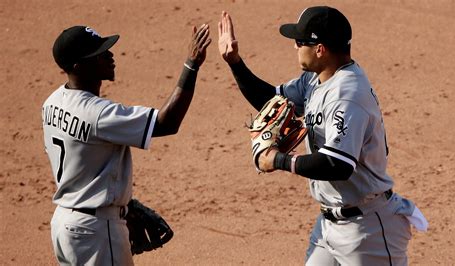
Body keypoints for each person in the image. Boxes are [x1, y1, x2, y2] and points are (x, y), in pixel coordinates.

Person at [218, 6, 428, 265]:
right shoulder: (314, 80)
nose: (295, 47)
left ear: (320, 49)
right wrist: (235, 63)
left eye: (300, 42)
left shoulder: (347, 93)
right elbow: (272, 102)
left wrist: (278, 160)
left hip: (368, 230)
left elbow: (337, 164)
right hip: (329, 227)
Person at [42, 24, 211, 265]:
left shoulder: (52, 104)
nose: (110, 55)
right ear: (78, 66)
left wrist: (121, 203)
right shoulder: (97, 114)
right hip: (95, 231)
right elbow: (167, 123)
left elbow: (84, 159)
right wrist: (191, 64)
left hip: (64, 225)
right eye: (99, 54)